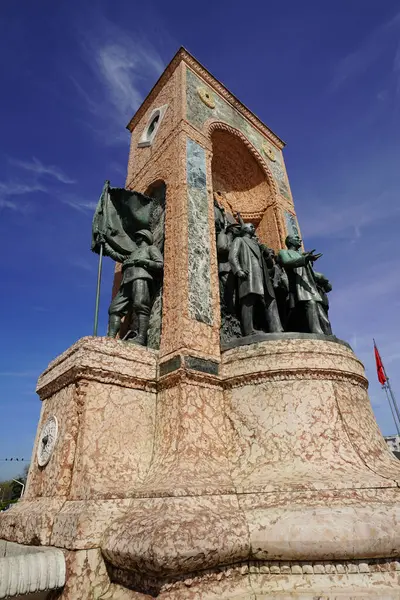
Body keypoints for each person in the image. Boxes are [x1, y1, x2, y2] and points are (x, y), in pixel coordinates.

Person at [105, 229, 163, 345]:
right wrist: (105, 244)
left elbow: (160, 264)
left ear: (144, 237)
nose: (136, 239)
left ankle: (141, 337)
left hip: (140, 276)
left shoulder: (150, 249)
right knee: (114, 309)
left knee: (140, 304)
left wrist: (143, 262)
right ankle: (110, 339)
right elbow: (116, 255)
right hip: (126, 282)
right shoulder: (132, 253)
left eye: (138, 236)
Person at [229, 222, 283, 336]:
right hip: (249, 275)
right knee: (248, 300)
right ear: (244, 229)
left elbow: (267, 263)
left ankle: (275, 328)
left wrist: (266, 253)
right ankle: (248, 330)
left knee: (268, 300)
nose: (254, 228)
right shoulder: (239, 240)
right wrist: (238, 270)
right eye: (251, 226)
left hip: (261, 276)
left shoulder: (257, 244)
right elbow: (232, 256)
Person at [277, 234, 332, 335]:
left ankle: (327, 334)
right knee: (311, 303)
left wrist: (323, 279)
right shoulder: (283, 252)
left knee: (320, 310)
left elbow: (312, 274)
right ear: (290, 242)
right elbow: (287, 262)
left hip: (309, 286)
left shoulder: (302, 256)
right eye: (296, 238)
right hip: (298, 285)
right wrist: (305, 259)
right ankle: (317, 332)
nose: (299, 240)